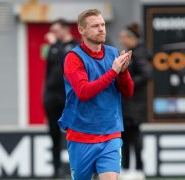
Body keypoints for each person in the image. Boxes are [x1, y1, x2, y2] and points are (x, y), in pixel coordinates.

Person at [58, 9, 134, 180]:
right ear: (81, 30)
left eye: (103, 25)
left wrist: (122, 73)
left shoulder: (113, 53)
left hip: (110, 133)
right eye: (95, 26)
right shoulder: (73, 58)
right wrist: (113, 71)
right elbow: (84, 92)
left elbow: (128, 92)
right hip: (81, 134)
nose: (101, 29)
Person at [43, 19, 77, 178]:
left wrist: (54, 45)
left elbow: (66, 62)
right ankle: (56, 169)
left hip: (68, 97)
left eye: (56, 30)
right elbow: (48, 71)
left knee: (75, 134)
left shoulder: (74, 46)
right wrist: (45, 96)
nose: (53, 34)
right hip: (52, 97)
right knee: (53, 134)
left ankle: (78, 167)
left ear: (65, 29)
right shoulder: (52, 48)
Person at [119, 22, 152, 177]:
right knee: (124, 138)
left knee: (135, 138)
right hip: (127, 104)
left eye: (125, 37)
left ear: (132, 38)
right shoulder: (130, 52)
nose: (122, 40)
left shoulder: (139, 53)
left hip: (135, 104)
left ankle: (139, 169)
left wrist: (128, 82)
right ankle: (126, 168)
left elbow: (146, 75)